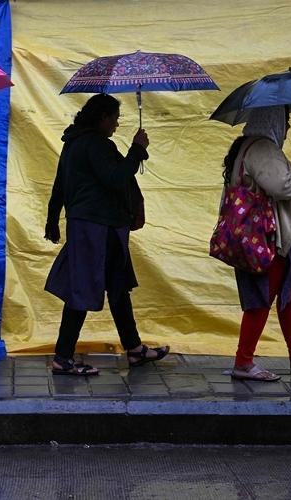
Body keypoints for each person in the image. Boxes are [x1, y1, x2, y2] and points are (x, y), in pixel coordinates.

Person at [44, 93, 170, 376]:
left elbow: (59, 185)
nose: (116, 124)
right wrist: (137, 150)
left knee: (117, 286)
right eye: (114, 118)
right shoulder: (96, 144)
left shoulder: (74, 143)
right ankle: (63, 357)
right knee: (82, 289)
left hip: (95, 225)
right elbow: (115, 178)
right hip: (96, 226)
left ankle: (135, 349)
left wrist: (53, 219)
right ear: (102, 118)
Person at [221, 105, 291, 382]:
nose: (289, 126)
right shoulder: (262, 149)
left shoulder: (248, 146)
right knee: (262, 298)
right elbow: (284, 187)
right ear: (272, 120)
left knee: (290, 294)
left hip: (270, 237)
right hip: (270, 238)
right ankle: (243, 363)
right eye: (285, 119)